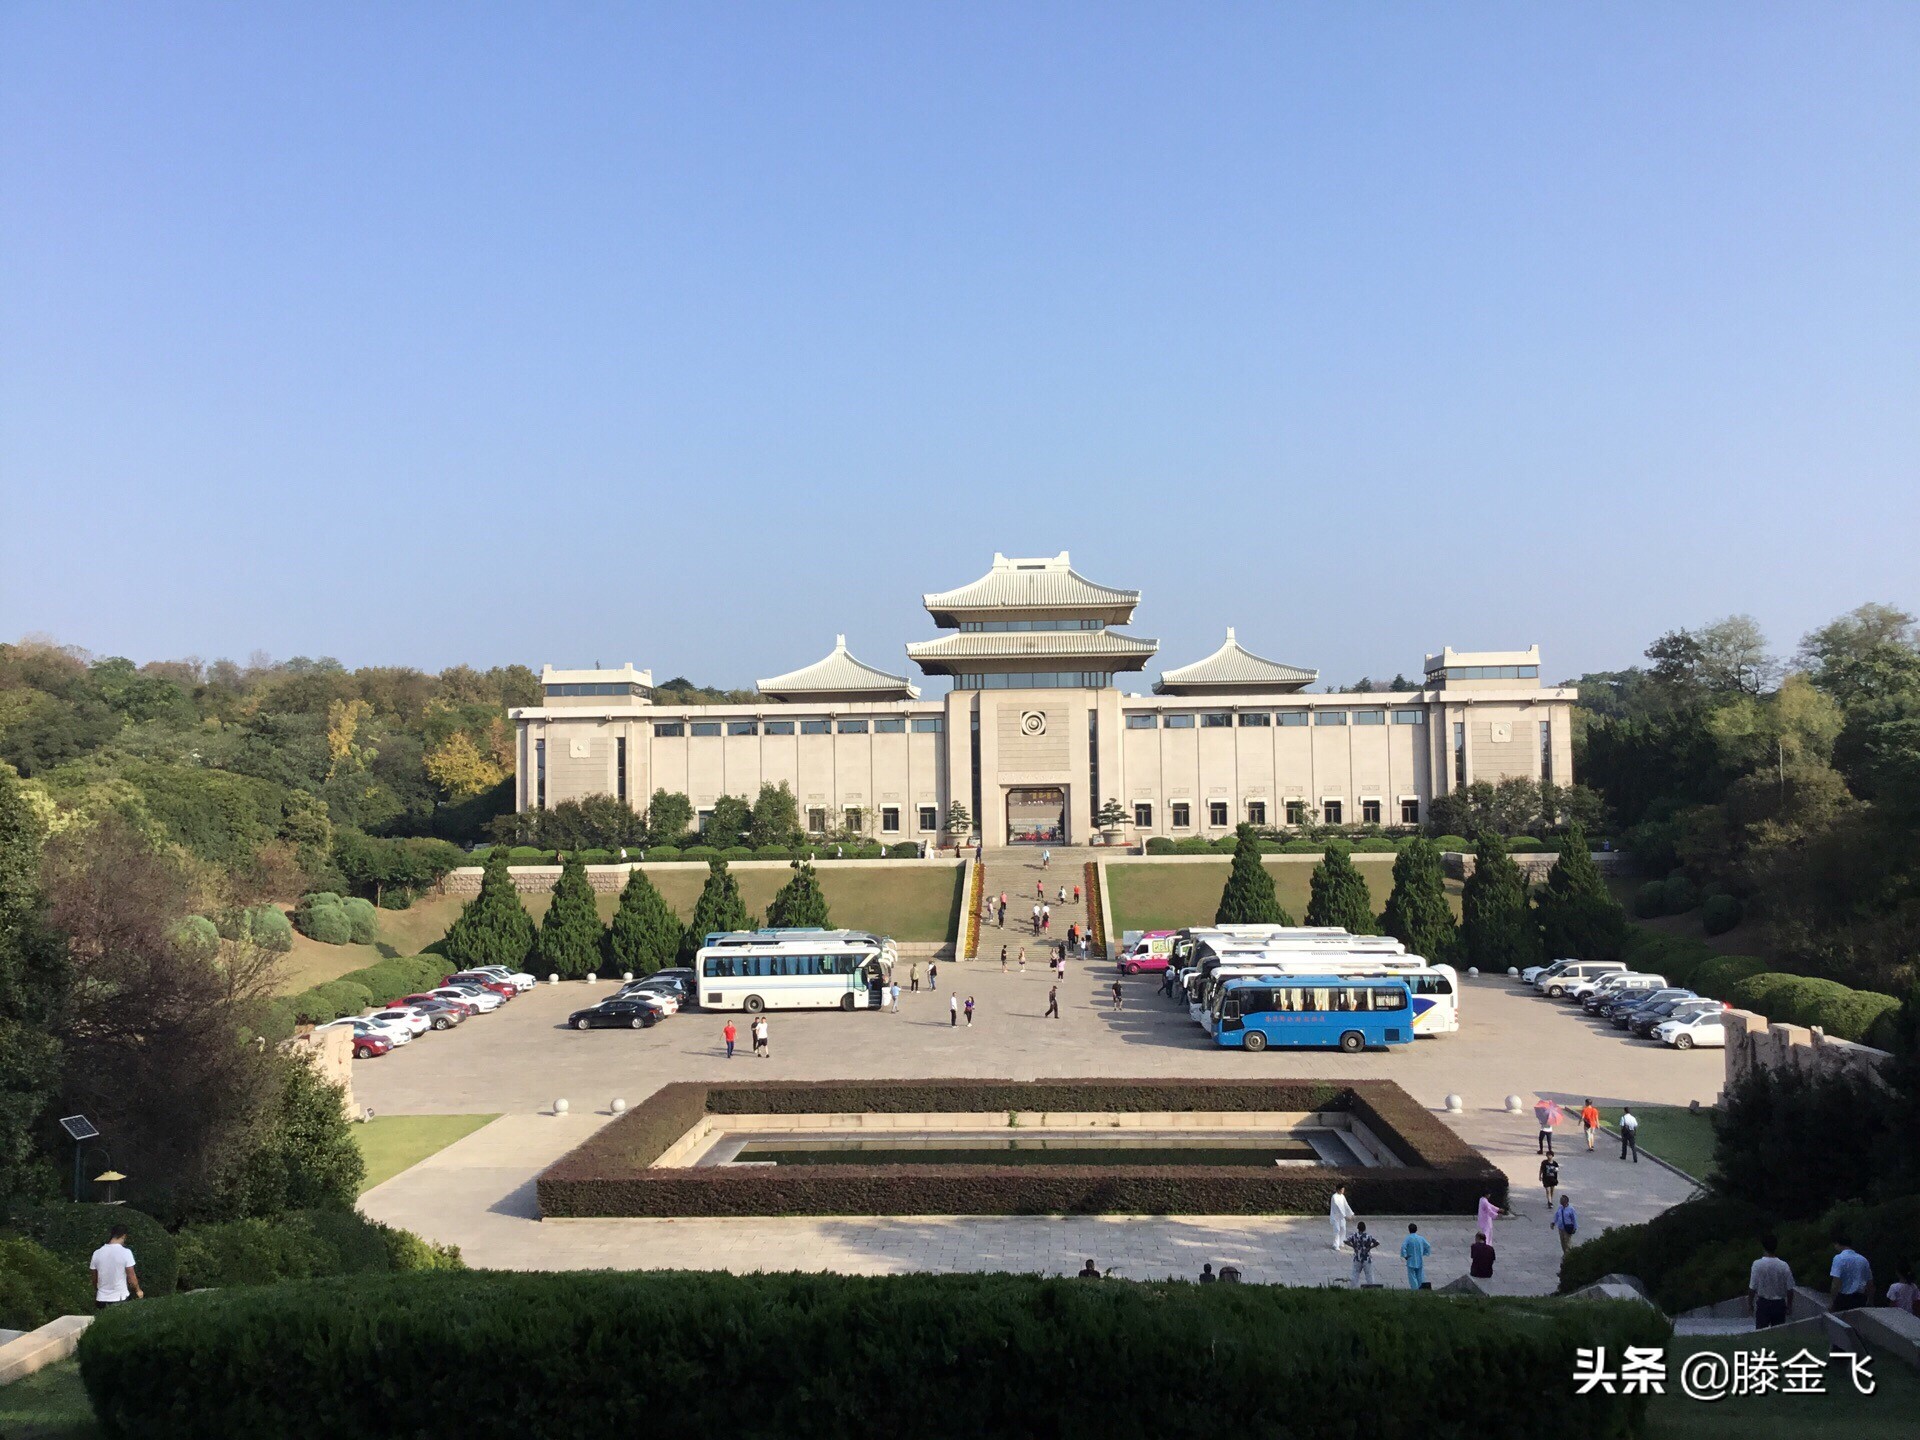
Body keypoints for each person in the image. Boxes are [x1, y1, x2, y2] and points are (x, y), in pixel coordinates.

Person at [1747, 1235, 1795, 1329]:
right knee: (1779, 1333)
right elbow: (1790, 1289)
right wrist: (1789, 1305)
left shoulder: (1757, 1264)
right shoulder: (1783, 1265)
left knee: (1761, 1332)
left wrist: (1750, 1304)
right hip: (1779, 1304)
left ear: (1763, 1247)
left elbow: (1752, 1287)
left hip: (1763, 1303)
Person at [90, 1225, 142, 1310]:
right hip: (120, 1297)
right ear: (124, 1236)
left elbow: (94, 1278)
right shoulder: (126, 1252)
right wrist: (138, 1290)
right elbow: (131, 1277)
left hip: (101, 1299)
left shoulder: (97, 1253)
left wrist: (97, 1290)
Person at [1829, 1238, 1873, 1312]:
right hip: (1860, 1298)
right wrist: (1870, 1300)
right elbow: (1870, 1283)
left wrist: (1832, 1301)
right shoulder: (1863, 1259)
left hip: (1844, 1298)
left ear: (1838, 1244)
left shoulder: (1839, 1258)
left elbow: (1836, 1282)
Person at [1344, 1222, 1379, 1288]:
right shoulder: (1368, 1236)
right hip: (1367, 1258)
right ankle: (1371, 1288)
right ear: (1365, 1228)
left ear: (1357, 1228)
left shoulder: (1354, 1236)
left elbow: (1345, 1241)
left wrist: (1353, 1246)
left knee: (1355, 1274)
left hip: (1357, 1257)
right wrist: (1370, 1247)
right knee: (1369, 1275)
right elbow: (1377, 1242)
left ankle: (1352, 1288)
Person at [1400, 1223, 1431, 1290]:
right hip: (1419, 1259)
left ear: (1409, 1230)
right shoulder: (1421, 1238)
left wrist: (1405, 1255)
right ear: (1416, 1229)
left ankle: (1414, 1289)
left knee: (1412, 1276)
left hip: (1411, 1259)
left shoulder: (1408, 1238)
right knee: (1420, 1275)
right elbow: (1428, 1246)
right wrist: (1424, 1253)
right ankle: (1421, 1288)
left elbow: (1403, 1247)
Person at [1329, 1184, 1354, 1252]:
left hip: (1341, 1217)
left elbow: (1346, 1205)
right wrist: (1345, 1216)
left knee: (1343, 1228)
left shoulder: (1342, 1196)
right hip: (1336, 1216)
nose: (1343, 1191)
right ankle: (1335, 1245)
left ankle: (1341, 1242)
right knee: (1337, 1230)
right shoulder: (1334, 1197)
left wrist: (1351, 1213)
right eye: (1342, 1189)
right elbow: (1338, 1207)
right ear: (1338, 1190)